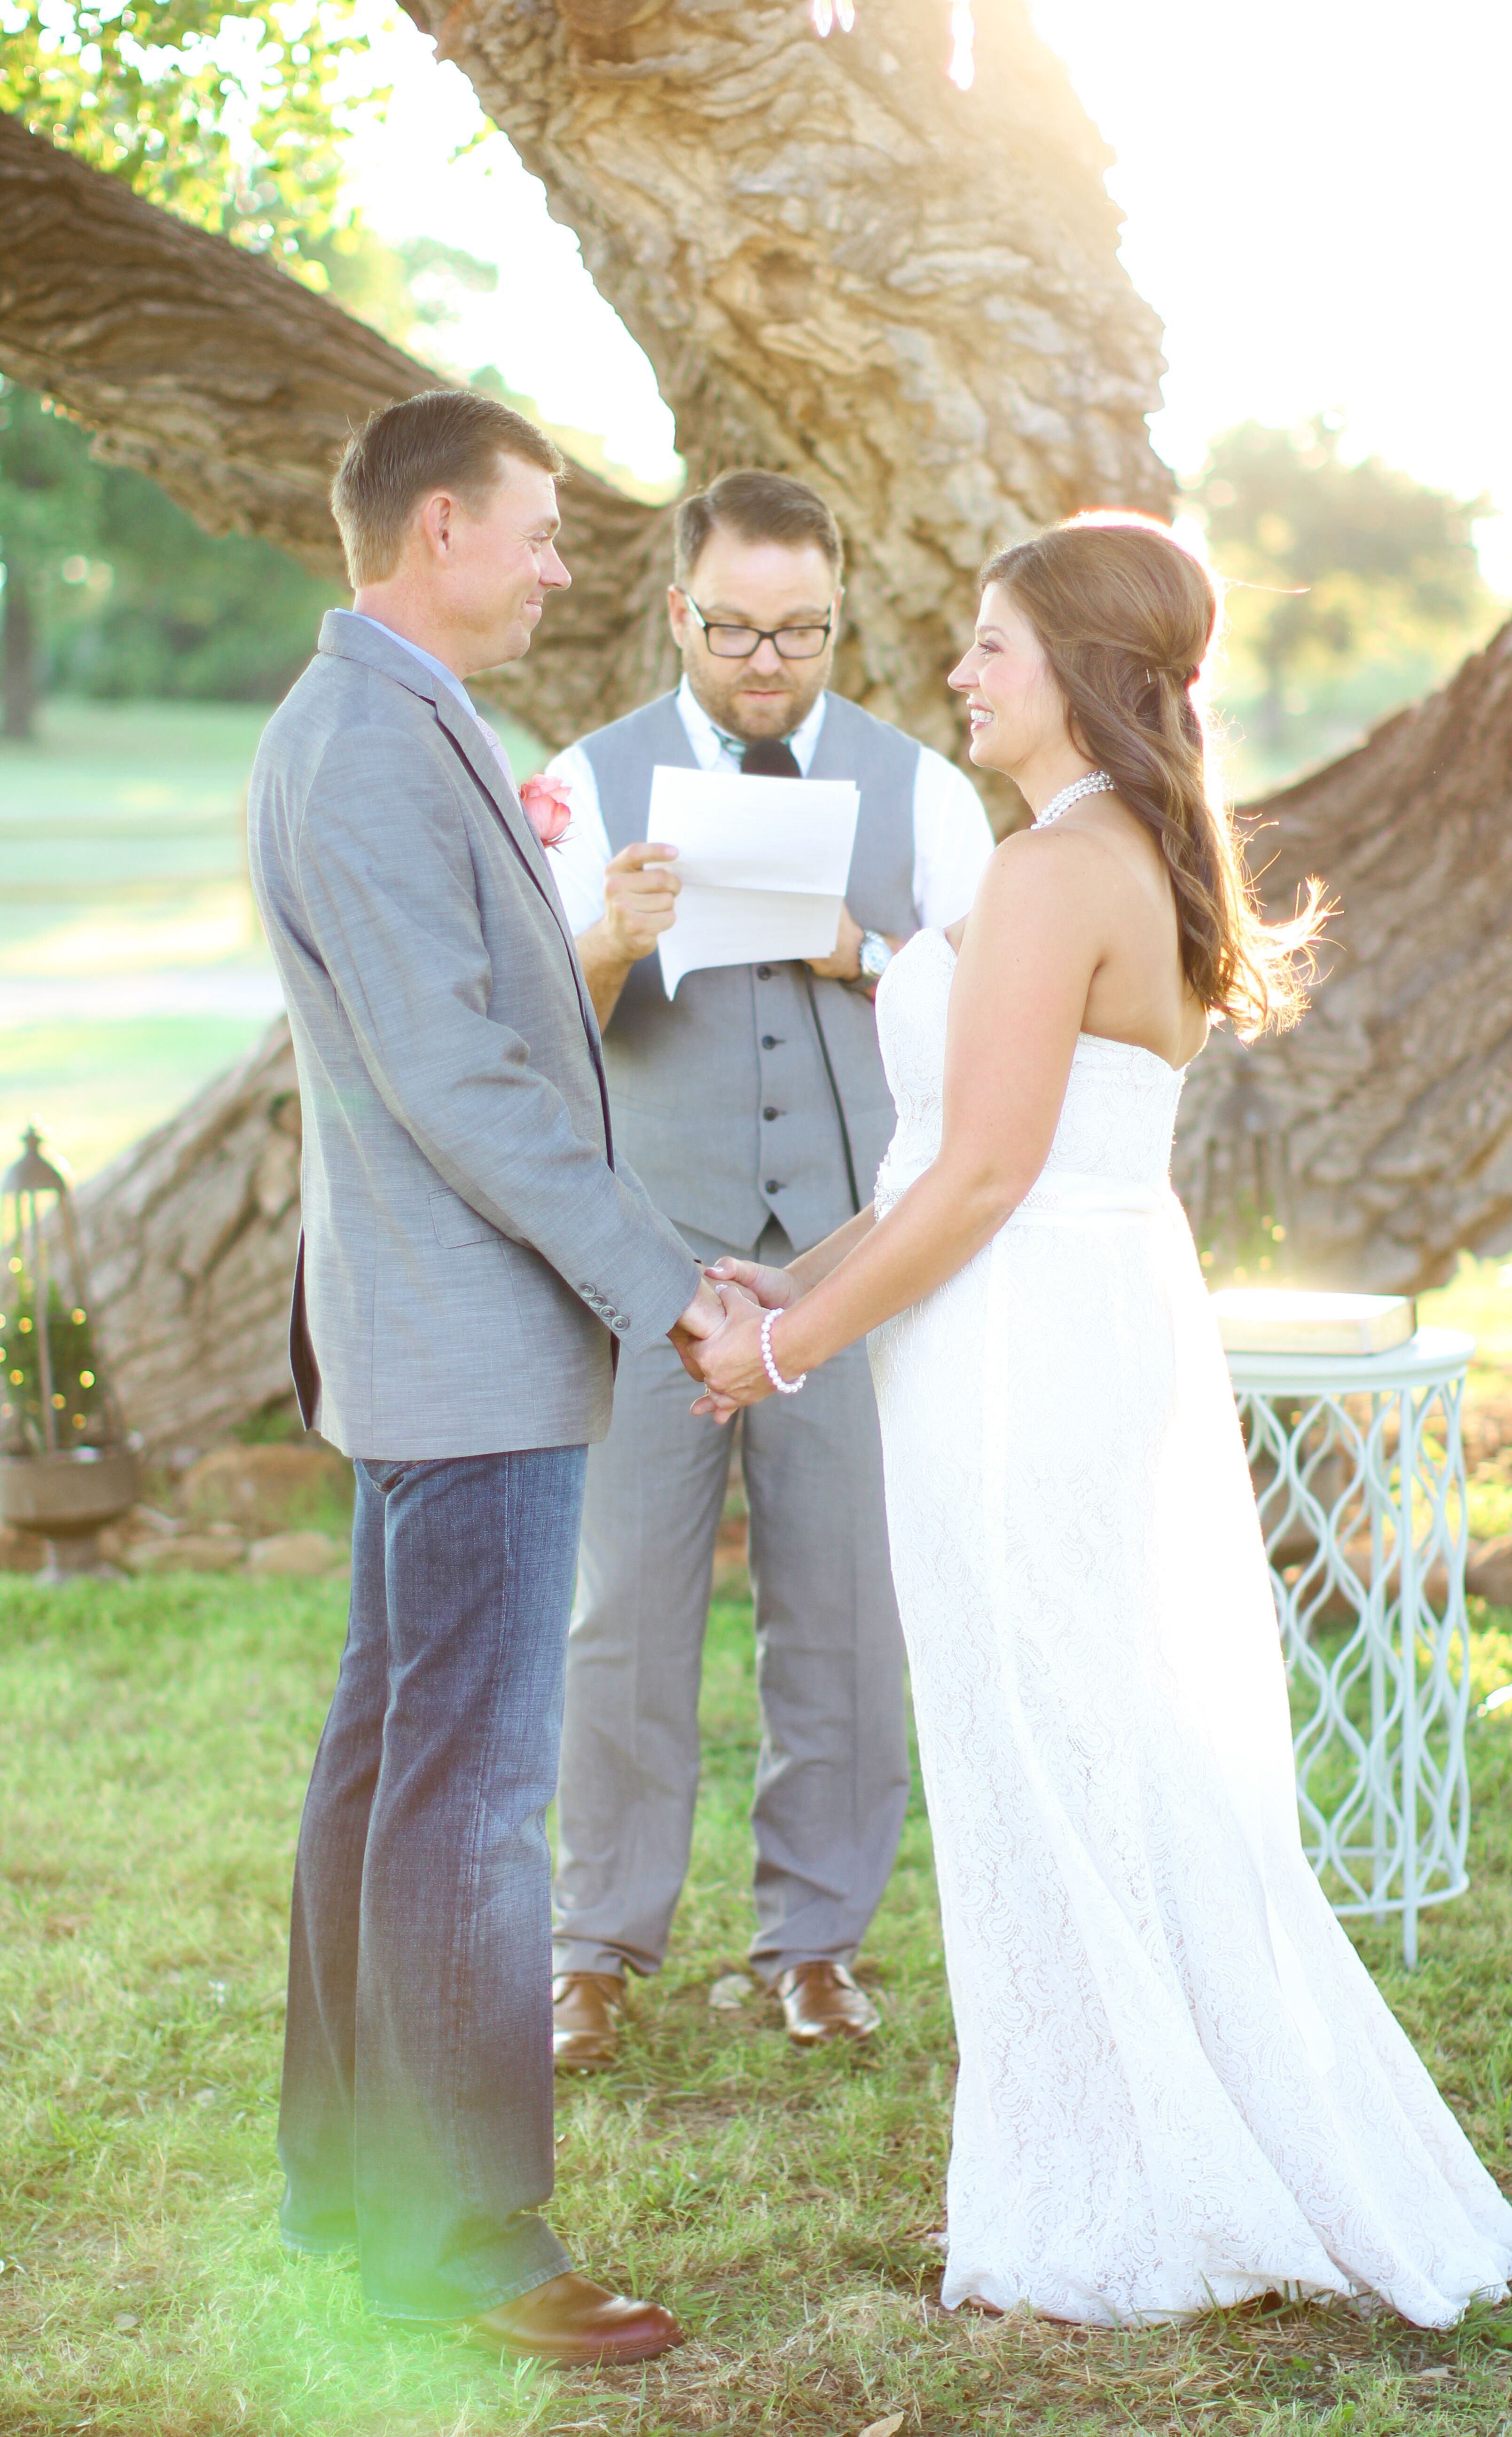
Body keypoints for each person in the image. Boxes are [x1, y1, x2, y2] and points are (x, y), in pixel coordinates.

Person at [688, 512, 1512, 2327]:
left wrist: (787, 1351)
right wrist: (799, 1278)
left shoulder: (1067, 864)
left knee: (1047, 1742)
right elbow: (952, 1158)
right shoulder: (1082, 849)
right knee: (1059, 1733)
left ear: (1076, 666)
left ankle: (1124, 2182)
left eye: (991, 645)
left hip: (1017, 1350)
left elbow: (988, 1178)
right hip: (1029, 1314)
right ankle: (1125, 2142)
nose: (962, 674)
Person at [247, 389, 724, 2362]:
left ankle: (352, 2186)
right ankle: (464, 2241)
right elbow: (461, 1084)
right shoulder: (364, 741)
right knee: (466, 1797)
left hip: (437, 1341)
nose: (555, 565)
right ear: (438, 529)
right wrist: (655, 1279)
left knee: (391, 1765)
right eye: (534, 533)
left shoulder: (386, 715)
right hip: (468, 1345)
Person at [541, 470, 993, 2064]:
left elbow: (1000, 1022)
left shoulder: (925, 791)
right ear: (679, 611)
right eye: (734, 629)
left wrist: (861, 955)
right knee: (622, 1611)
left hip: (848, 1266)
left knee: (846, 1606)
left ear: (836, 616)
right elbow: (521, 1054)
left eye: (800, 631)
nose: (766, 662)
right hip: (646, 1271)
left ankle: (817, 1938)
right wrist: (602, 941)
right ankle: (593, 1947)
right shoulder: (585, 787)